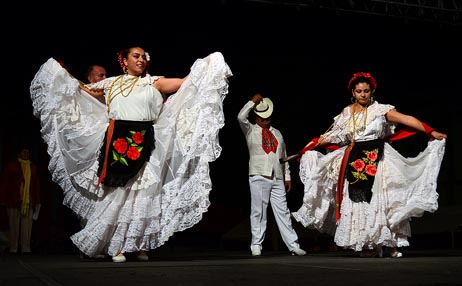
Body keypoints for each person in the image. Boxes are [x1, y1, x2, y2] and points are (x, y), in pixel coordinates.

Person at [30, 46, 232, 262]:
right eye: (136, 56)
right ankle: (116, 246)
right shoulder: (112, 83)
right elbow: (82, 91)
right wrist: (61, 75)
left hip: (146, 142)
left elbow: (187, 83)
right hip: (117, 142)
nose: (141, 60)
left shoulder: (154, 82)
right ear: (124, 61)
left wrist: (207, 64)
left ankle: (138, 245)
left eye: (144, 57)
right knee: (118, 194)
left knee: (142, 196)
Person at [291, 71, 447, 258]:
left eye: (366, 91)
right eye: (359, 91)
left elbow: (407, 119)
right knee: (360, 201)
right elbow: (331, 136)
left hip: (378, 157)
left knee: (385, 199)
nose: (362, 94)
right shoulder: (347, 113)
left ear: (372, 91)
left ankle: (391, 245)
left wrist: (431, 131)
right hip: (354, 158)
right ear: (353, 92)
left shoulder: (381, 110)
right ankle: (371, 245)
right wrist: (307, 148)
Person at [238, 93, 306, 257]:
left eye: (268, 117)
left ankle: (293, 245)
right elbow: (240, 117)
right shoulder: (251, 130)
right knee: (258, 211)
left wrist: (287, 176)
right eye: (262, 117)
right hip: (259, 174)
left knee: (283, 211)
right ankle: (256, 244)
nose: (265, 120)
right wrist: (250, 102)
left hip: (277, 176)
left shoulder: (277, 133)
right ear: (256, 117)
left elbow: (284, 156)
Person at [0, 145, 41, 254]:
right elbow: (5, 183)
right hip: (14, 200)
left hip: (28, 200)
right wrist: (3, 199)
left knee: (27, 227)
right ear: (18, 154)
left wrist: (37, 200)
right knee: (13, 225)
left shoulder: (32, 167)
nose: (26, 154)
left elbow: (35, 184)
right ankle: (13, 247)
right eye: (23, 152)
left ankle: (25, 248)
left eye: (27, 152)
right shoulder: (12, 166)